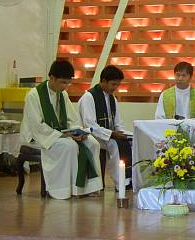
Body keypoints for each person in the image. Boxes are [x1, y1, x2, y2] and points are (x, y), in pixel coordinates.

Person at [20, 60, 102, 199]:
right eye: (63, 82)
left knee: (93, 143)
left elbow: (72, 119)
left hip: (61, 134)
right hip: (39, 137)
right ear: (52, 78)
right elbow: (37, 125)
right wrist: (65, 136)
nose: (65, 86)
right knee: (69, 146)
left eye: (68, 83)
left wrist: (78, 132)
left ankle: (86, 188)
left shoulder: (62, 94)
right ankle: (62, 190)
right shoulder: (34, 95)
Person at [78, 65, 131, 190]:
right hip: (92, 136)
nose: (115, 88)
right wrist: (112, 134)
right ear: (103, 81)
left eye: (117, 85)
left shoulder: (112, 98)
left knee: (130, 142)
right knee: (116, 144)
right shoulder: (89, 97)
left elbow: (118, 122)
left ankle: (129, 179)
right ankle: (121, 183)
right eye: (113, 84)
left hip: (106, 135)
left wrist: (124, 133)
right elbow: (90, 125)